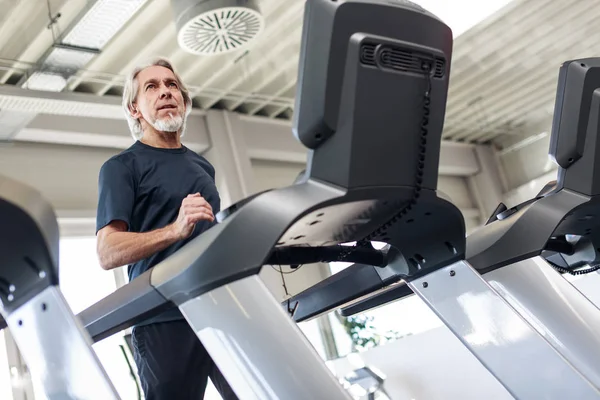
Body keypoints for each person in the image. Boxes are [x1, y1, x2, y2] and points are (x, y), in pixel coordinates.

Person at [95, 57, 238, 400]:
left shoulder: (202, 166)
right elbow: (107, 251)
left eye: (172, 85)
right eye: (152, 86)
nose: (165, 92)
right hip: (162, 317)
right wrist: (174, 230)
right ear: (135, 109)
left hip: (220, 307)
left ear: (184, 102)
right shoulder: (121, 167)